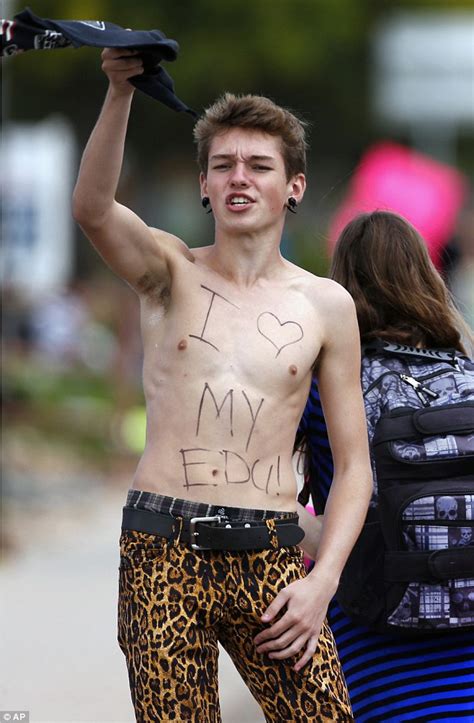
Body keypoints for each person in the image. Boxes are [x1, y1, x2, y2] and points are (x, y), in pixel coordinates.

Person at [72, 47, 373, 723]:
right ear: (204, 184)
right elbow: (92, 208)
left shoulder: (326, 305)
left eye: (259, 166)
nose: (240, 178)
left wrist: (323, 581)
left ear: (294, 186)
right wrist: (120, 91)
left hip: (268, 550)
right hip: (162, 544)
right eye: (224, 165)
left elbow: (355, 466)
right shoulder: (169, 271)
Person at [299, 210, 474, 722]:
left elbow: (260, 493)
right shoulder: (466, 376)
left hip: (370, 643)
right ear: (426, 277)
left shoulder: (327, 387)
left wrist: (334, 552)